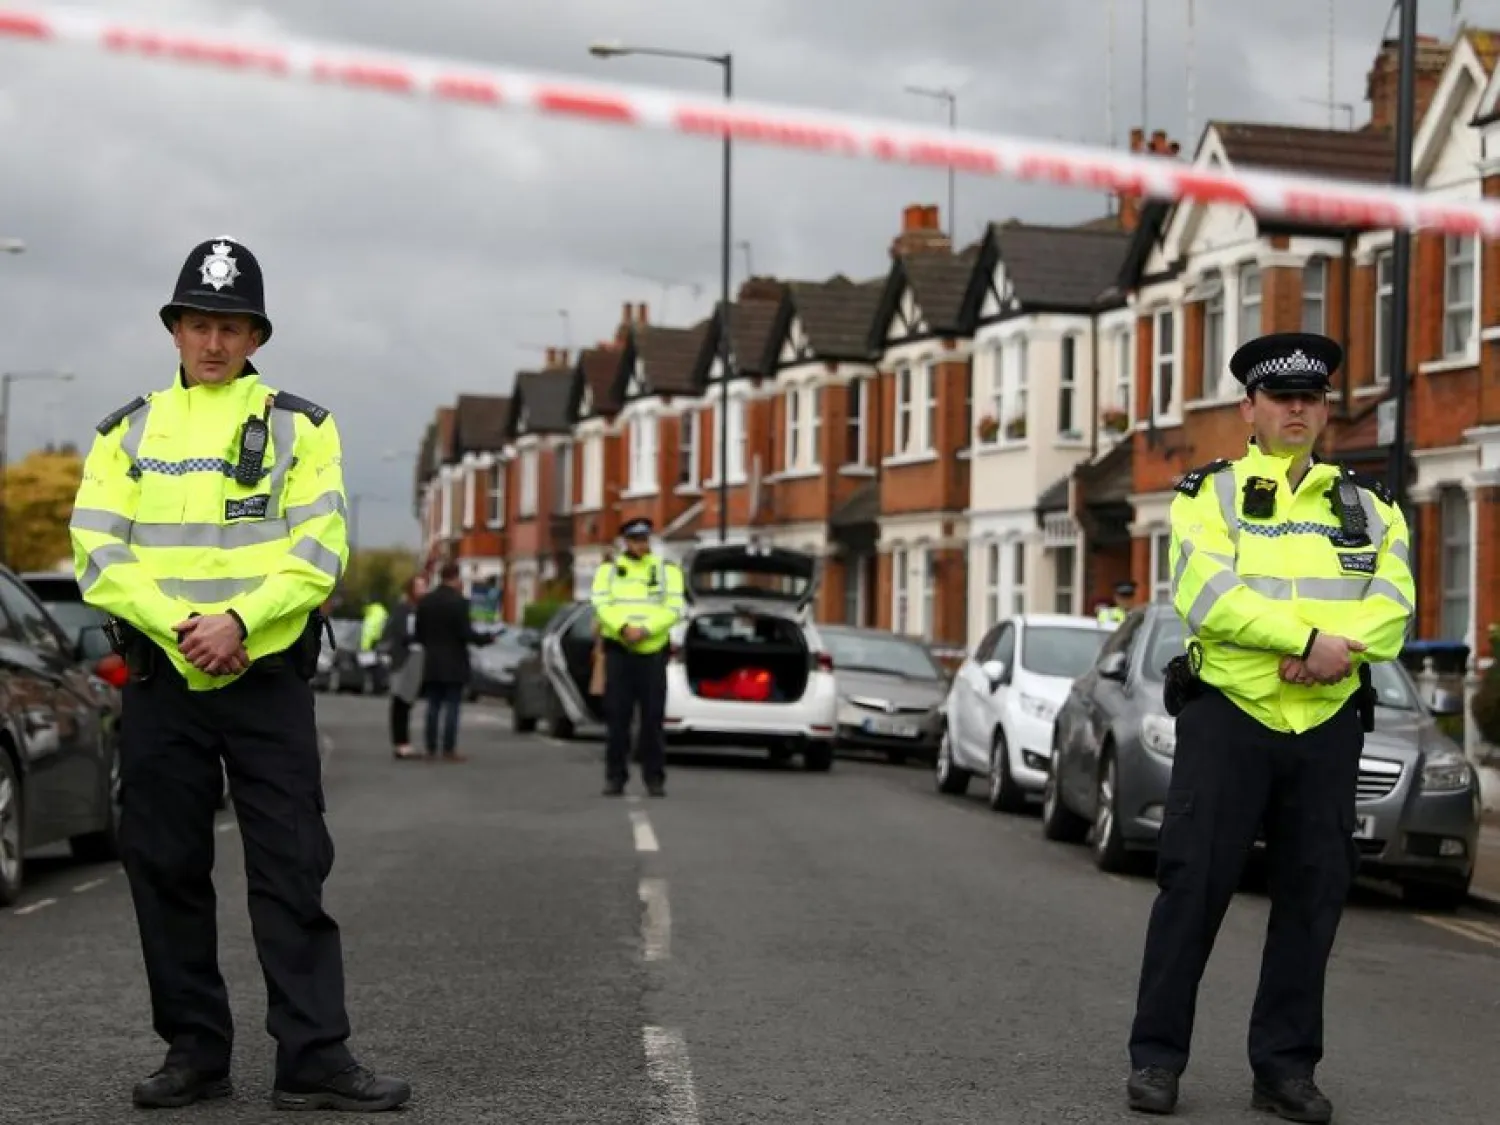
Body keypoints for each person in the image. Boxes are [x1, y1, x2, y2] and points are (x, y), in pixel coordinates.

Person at [69, 237, 410, 1111]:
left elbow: (317, 548)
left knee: (292, 867)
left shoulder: (304, 425)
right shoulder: (126, 431)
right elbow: (99, 553)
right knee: (167, 867)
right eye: (197, 322)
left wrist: (241, 624)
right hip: (164, 679)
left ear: (256, 334)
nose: (213, 341)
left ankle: (313, 1057)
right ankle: (194, 1052)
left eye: (230, 325)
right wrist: (186, 629)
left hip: (261, 678)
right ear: (174, 329)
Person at [1123, 332, 1414, 1122]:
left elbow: (1392, 610)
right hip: (1232, 717)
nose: (1296, 409)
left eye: (1310, 398)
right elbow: (1208, 597)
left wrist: (1333, 656)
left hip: (1324, 724)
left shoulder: (1371, 506)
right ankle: (1156, 1059)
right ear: (1248, 407)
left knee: (1313, 898)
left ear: (1324, 410)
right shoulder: (1206, 495)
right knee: (1192, 889)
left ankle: (1284, 1069)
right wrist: (1305, 640)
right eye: (1280, 397)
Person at [591, 519, 685, 797]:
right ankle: (615, 777)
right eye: (634, 540)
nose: (640, 545)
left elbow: (674, 608)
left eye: (644, 539)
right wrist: (623, 628)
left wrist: (645, 630)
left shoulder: (667, 571)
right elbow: (600, 603)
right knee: (617, 719)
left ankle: (654, 778)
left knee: (652, 720)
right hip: (619, 651)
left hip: (653, 652)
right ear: (625, 542)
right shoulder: (607, 572)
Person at [413, 560, 491, 760]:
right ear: (455, 578)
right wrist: (487, 639)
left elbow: (418, 633)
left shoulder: (426, 602)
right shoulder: (459, 603)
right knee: (452, 707)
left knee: (433, 706)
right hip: (454, 661)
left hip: (431, 661)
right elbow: (466, 633)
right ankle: (448, 749)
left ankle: (430, 749)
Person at [381, 574, 428, 759]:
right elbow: (402, 634)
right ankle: (401, 743)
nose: (423, 590)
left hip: (412, 658)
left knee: (406, 702)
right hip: (403, 659)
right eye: (420, 586)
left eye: (424, 586)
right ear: (411, 590)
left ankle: (403, 742)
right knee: (400, 701)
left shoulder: (417, 609)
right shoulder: (404, 610)